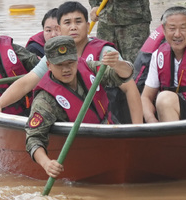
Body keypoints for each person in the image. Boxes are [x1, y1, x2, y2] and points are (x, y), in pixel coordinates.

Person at [0, 1, 134, 117]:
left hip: (104, 116)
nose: (73, 27)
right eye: (67, 23)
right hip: (69, 117)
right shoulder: (54, 55)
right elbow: (26, 83)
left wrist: (138, 128)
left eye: (78, 22)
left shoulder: (105, 51)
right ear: (60, 28)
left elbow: (129, 86)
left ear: (87, 25)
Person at [26, 35, 143, 178]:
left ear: (76, 58)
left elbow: (124, 75)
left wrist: (118, 64)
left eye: (70, 62)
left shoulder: (90, 67)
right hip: (82, 149)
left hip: (111, 136)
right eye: (60, 65)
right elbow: (34, 138)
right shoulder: (44, 100)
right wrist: (46, 164)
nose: (66, 69)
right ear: (49, 65)